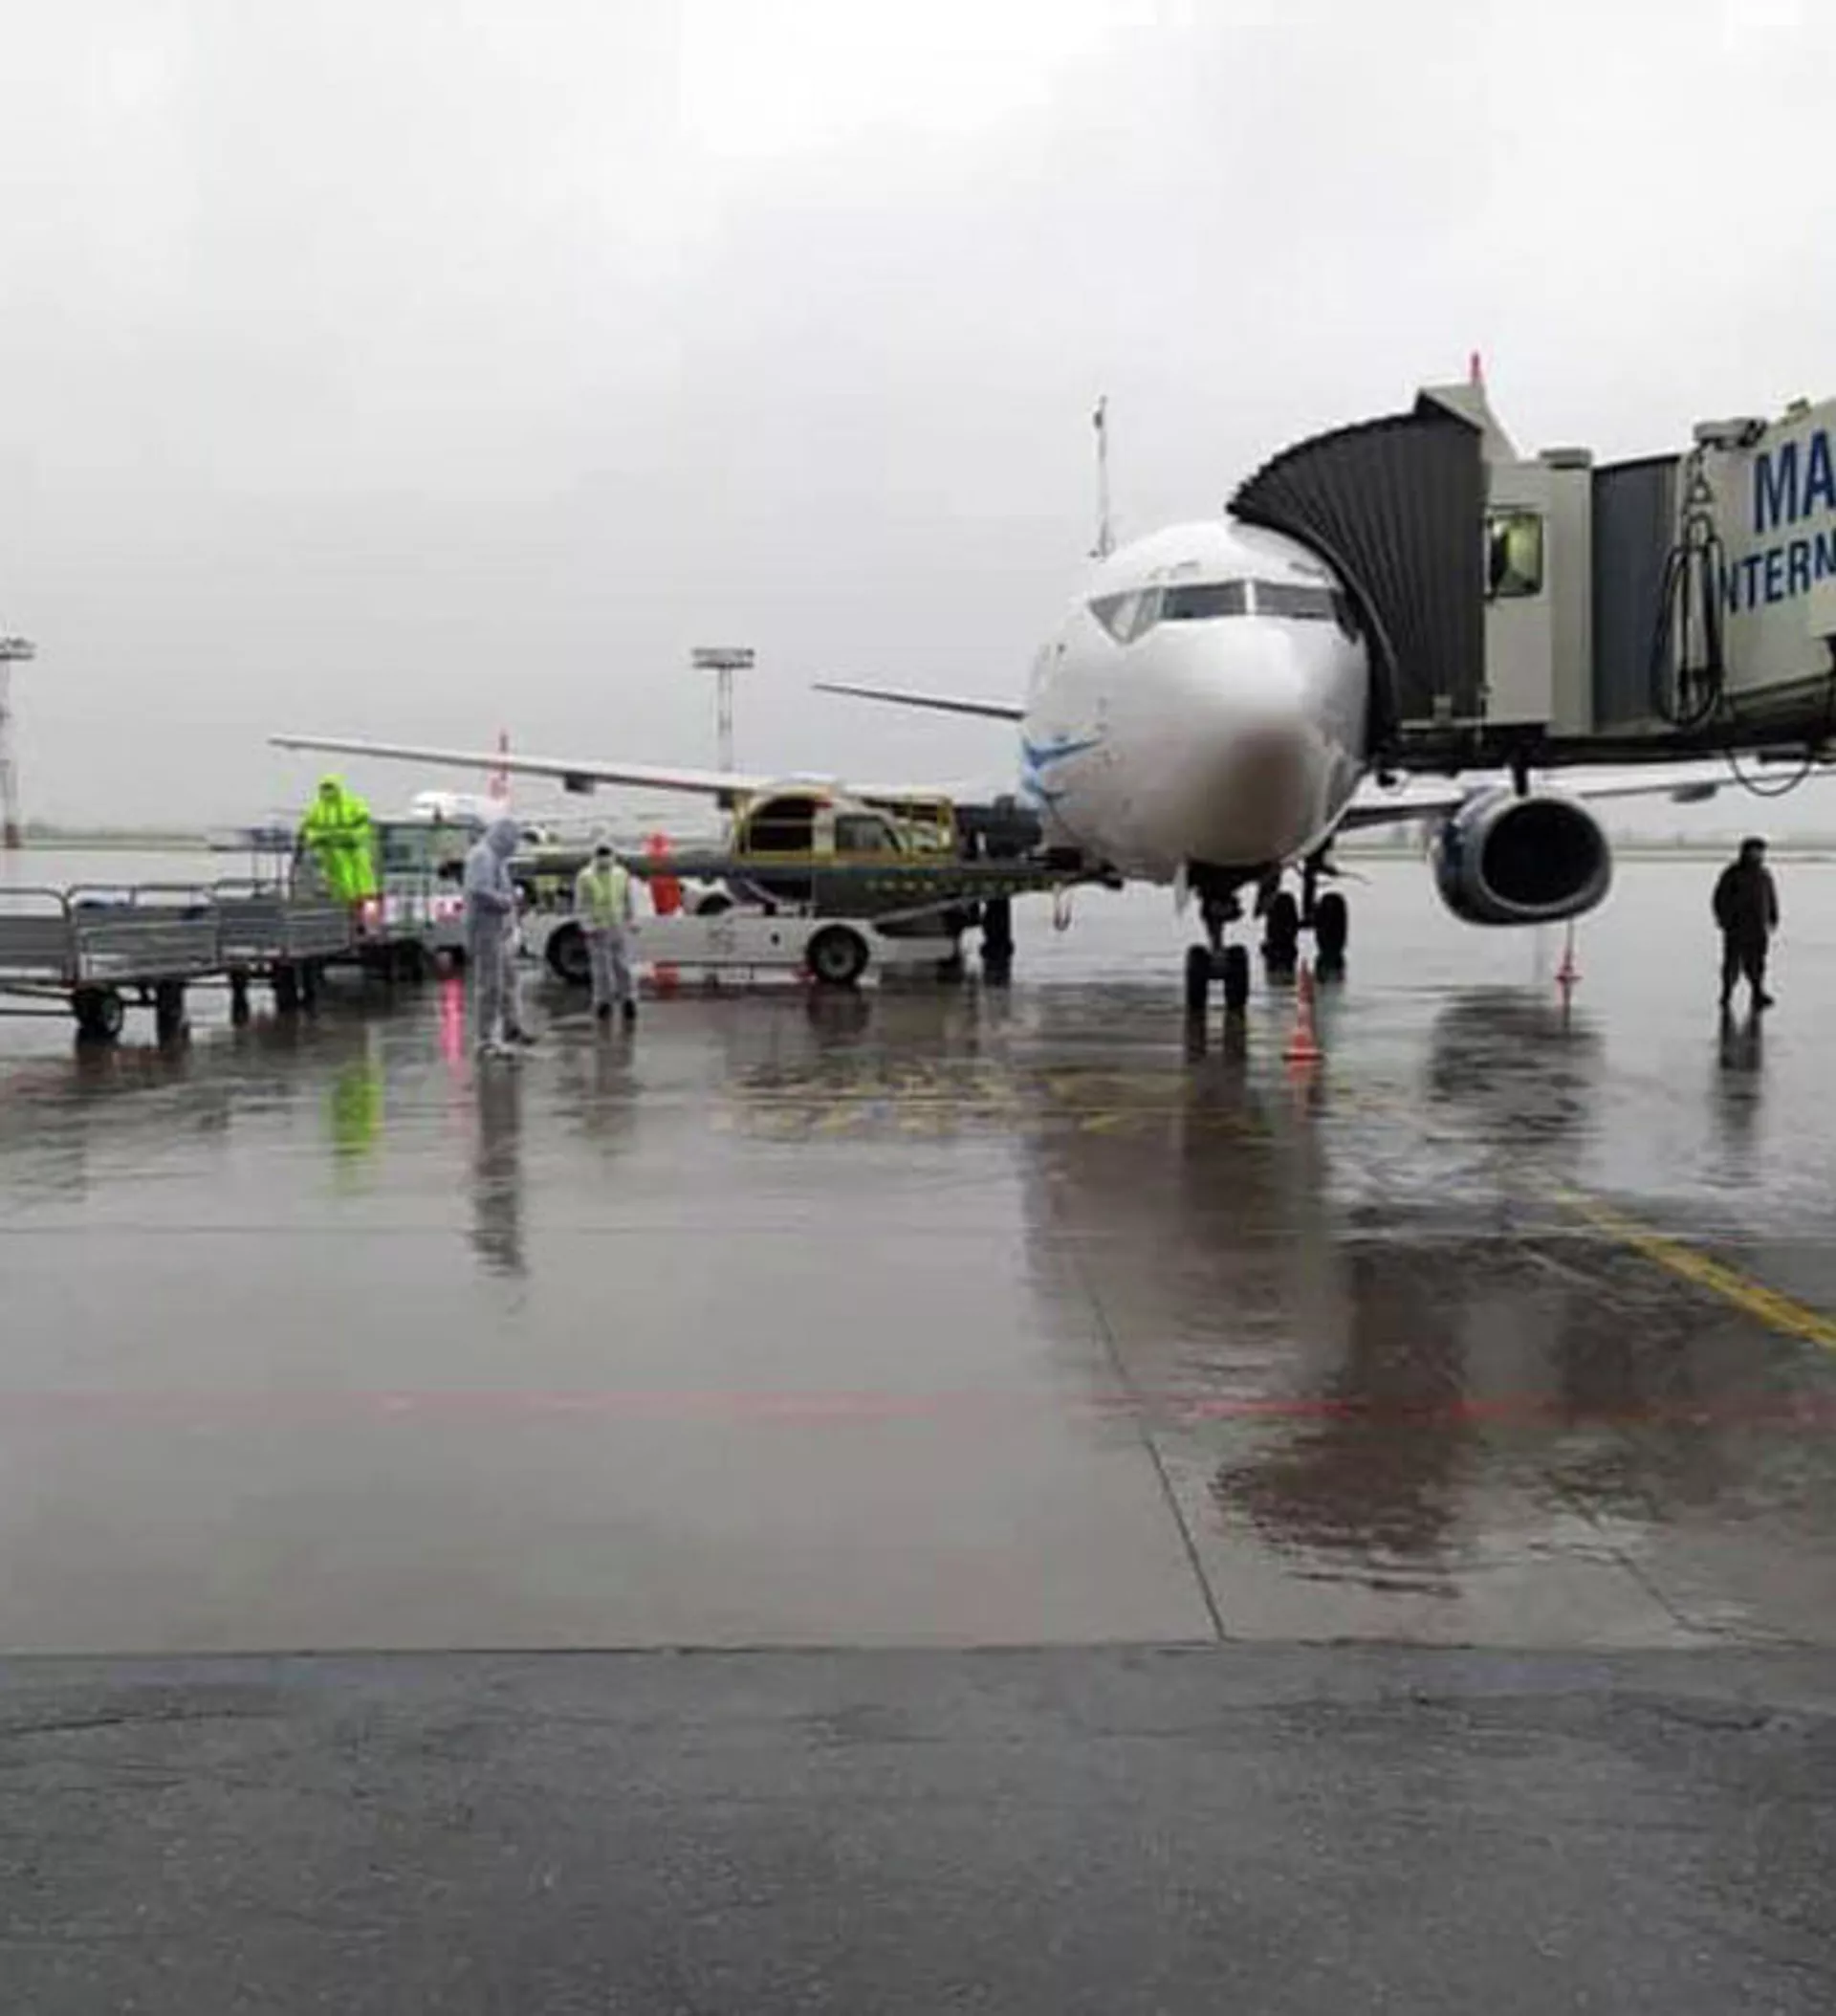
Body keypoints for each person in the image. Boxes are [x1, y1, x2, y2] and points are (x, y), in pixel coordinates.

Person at [464, 815, 535, 1055]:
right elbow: (479, 890)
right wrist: (506, 901)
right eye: (513, 840)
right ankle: (485, 1039)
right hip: (485, 929)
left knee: (508, 981)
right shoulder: (482, 856)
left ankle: (511, 1027)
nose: (515, 846)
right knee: (490, 985)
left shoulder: (496, 858)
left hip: (499, 930)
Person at [1713, 835, 1780, 1014]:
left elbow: (1770, 897)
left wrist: (1773, 917)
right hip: (1736, 927)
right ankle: (1726, 994)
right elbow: (1719, 898)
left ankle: (1757, 993)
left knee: (1757, 962)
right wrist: (1723, 919)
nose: (1758, 855)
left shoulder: (1764, 874)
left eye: (1761, 852)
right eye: (1755, 851)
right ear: (1745, 852)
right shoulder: (1732, 874)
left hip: (1758, 926)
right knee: (1732, 963)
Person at [575, 838, 637, 1023]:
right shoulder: (585, 876)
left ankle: (628, 999)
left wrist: (631, 920)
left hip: (618, 927)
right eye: (601, 854)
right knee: (601, 970)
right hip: (597, 930)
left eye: (607, 853)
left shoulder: (621, 874)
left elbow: (627, 899)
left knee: (623, 967)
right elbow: (581, 904)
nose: (605, 858)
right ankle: (603, 1002)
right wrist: (587, 925)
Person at [299, 776, 379, 904]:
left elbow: (364, 825)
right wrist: (317, 838)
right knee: (337, 880)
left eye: (330, 787)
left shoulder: (352, 804)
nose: (328, 791)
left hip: (353, 850)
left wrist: (350, 836)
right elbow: (308, 828)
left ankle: (361, 900)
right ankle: (344, 902)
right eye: (325, 788)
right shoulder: (317, 809)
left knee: (360, 879)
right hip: (330, 852)